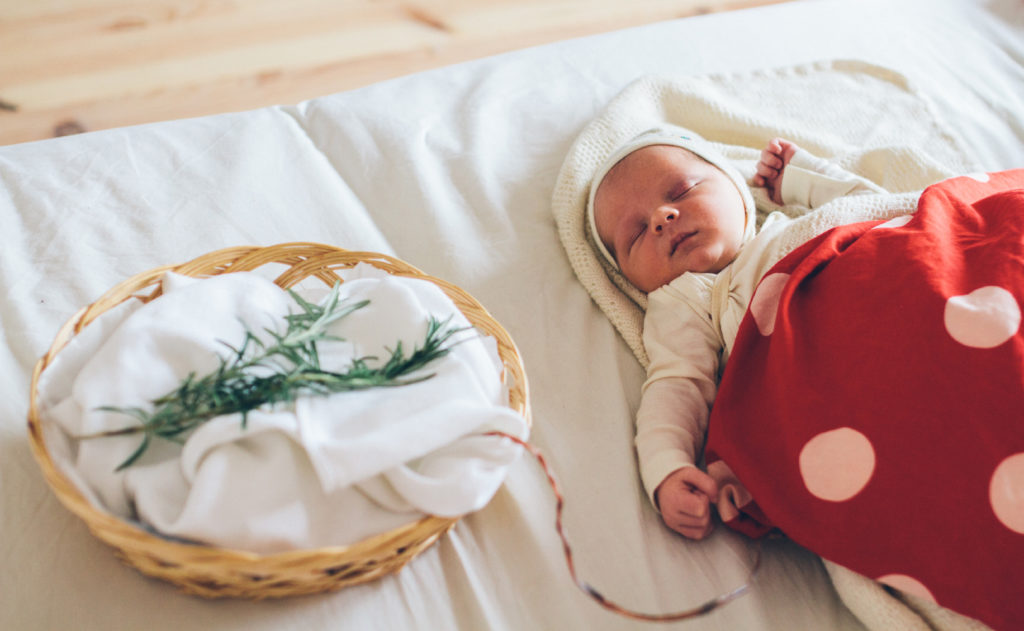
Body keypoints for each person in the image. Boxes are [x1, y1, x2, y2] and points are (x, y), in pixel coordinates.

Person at [585, 125, 884, 540]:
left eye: (682, 190)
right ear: (630, 277)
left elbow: (876, 208)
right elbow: (675, 386)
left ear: (739, 194)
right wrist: (666, 467)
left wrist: (801, 180)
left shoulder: (791, 229)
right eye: (635, 235)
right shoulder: (684, 303)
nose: (661, 217)